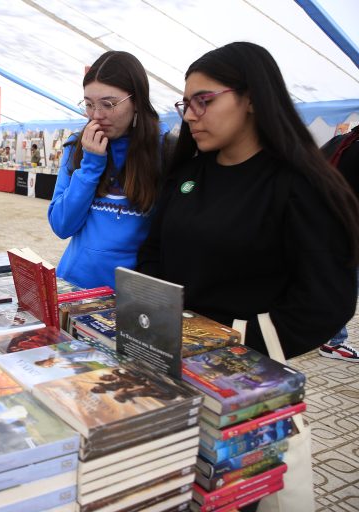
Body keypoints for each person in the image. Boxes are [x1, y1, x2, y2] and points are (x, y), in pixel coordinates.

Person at [137, 42, 359, 360]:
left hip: (238, 369)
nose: (189, 116)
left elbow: (324, 304)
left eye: (204, 101)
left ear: (252, 98)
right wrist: (155, 312)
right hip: (166, 348)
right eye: (185, 104)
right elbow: (152, 249)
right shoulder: (187, 173)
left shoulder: (301, 186)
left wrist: (234, 343)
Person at [48, 50, 164, 289]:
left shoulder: (163, 150)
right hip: (73, 285)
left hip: (131, 295)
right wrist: (91, 165)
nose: (97, 116)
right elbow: (61, 226)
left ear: (137, 101)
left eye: (109, 104)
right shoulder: (76, 146)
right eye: (89, 105)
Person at [317, 124, 359, 362]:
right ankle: (333, 341)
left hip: (326, 225)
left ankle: (329, 336)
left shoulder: (341, 142)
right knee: (345, 286)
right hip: (346, 230)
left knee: (333, 282)